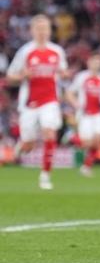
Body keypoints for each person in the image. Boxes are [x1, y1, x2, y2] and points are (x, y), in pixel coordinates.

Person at [6, 15, 69, 190]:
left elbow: (63, 71)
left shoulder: (57, 51)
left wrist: (64, 74)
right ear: (32, 31)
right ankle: (21, 147)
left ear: (49, 31)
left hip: (50, 100)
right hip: (29, 103)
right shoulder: (25, 52)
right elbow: (10, 76)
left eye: (45, 28)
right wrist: (22, 76)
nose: (42, 32)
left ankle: (45, 175)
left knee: (50, 133)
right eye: (38, 28)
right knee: (29, 144)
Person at [66, 54, 100, 177]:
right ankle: (70, 137)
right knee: (86, 144)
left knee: (98, 142)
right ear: (89, 63)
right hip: (85, 114)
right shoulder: (82, 77)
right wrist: (76, 104)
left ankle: (86, 167)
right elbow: (70, 92)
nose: (96, 64)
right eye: (94, 61)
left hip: (98, 114)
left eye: (99, 62)